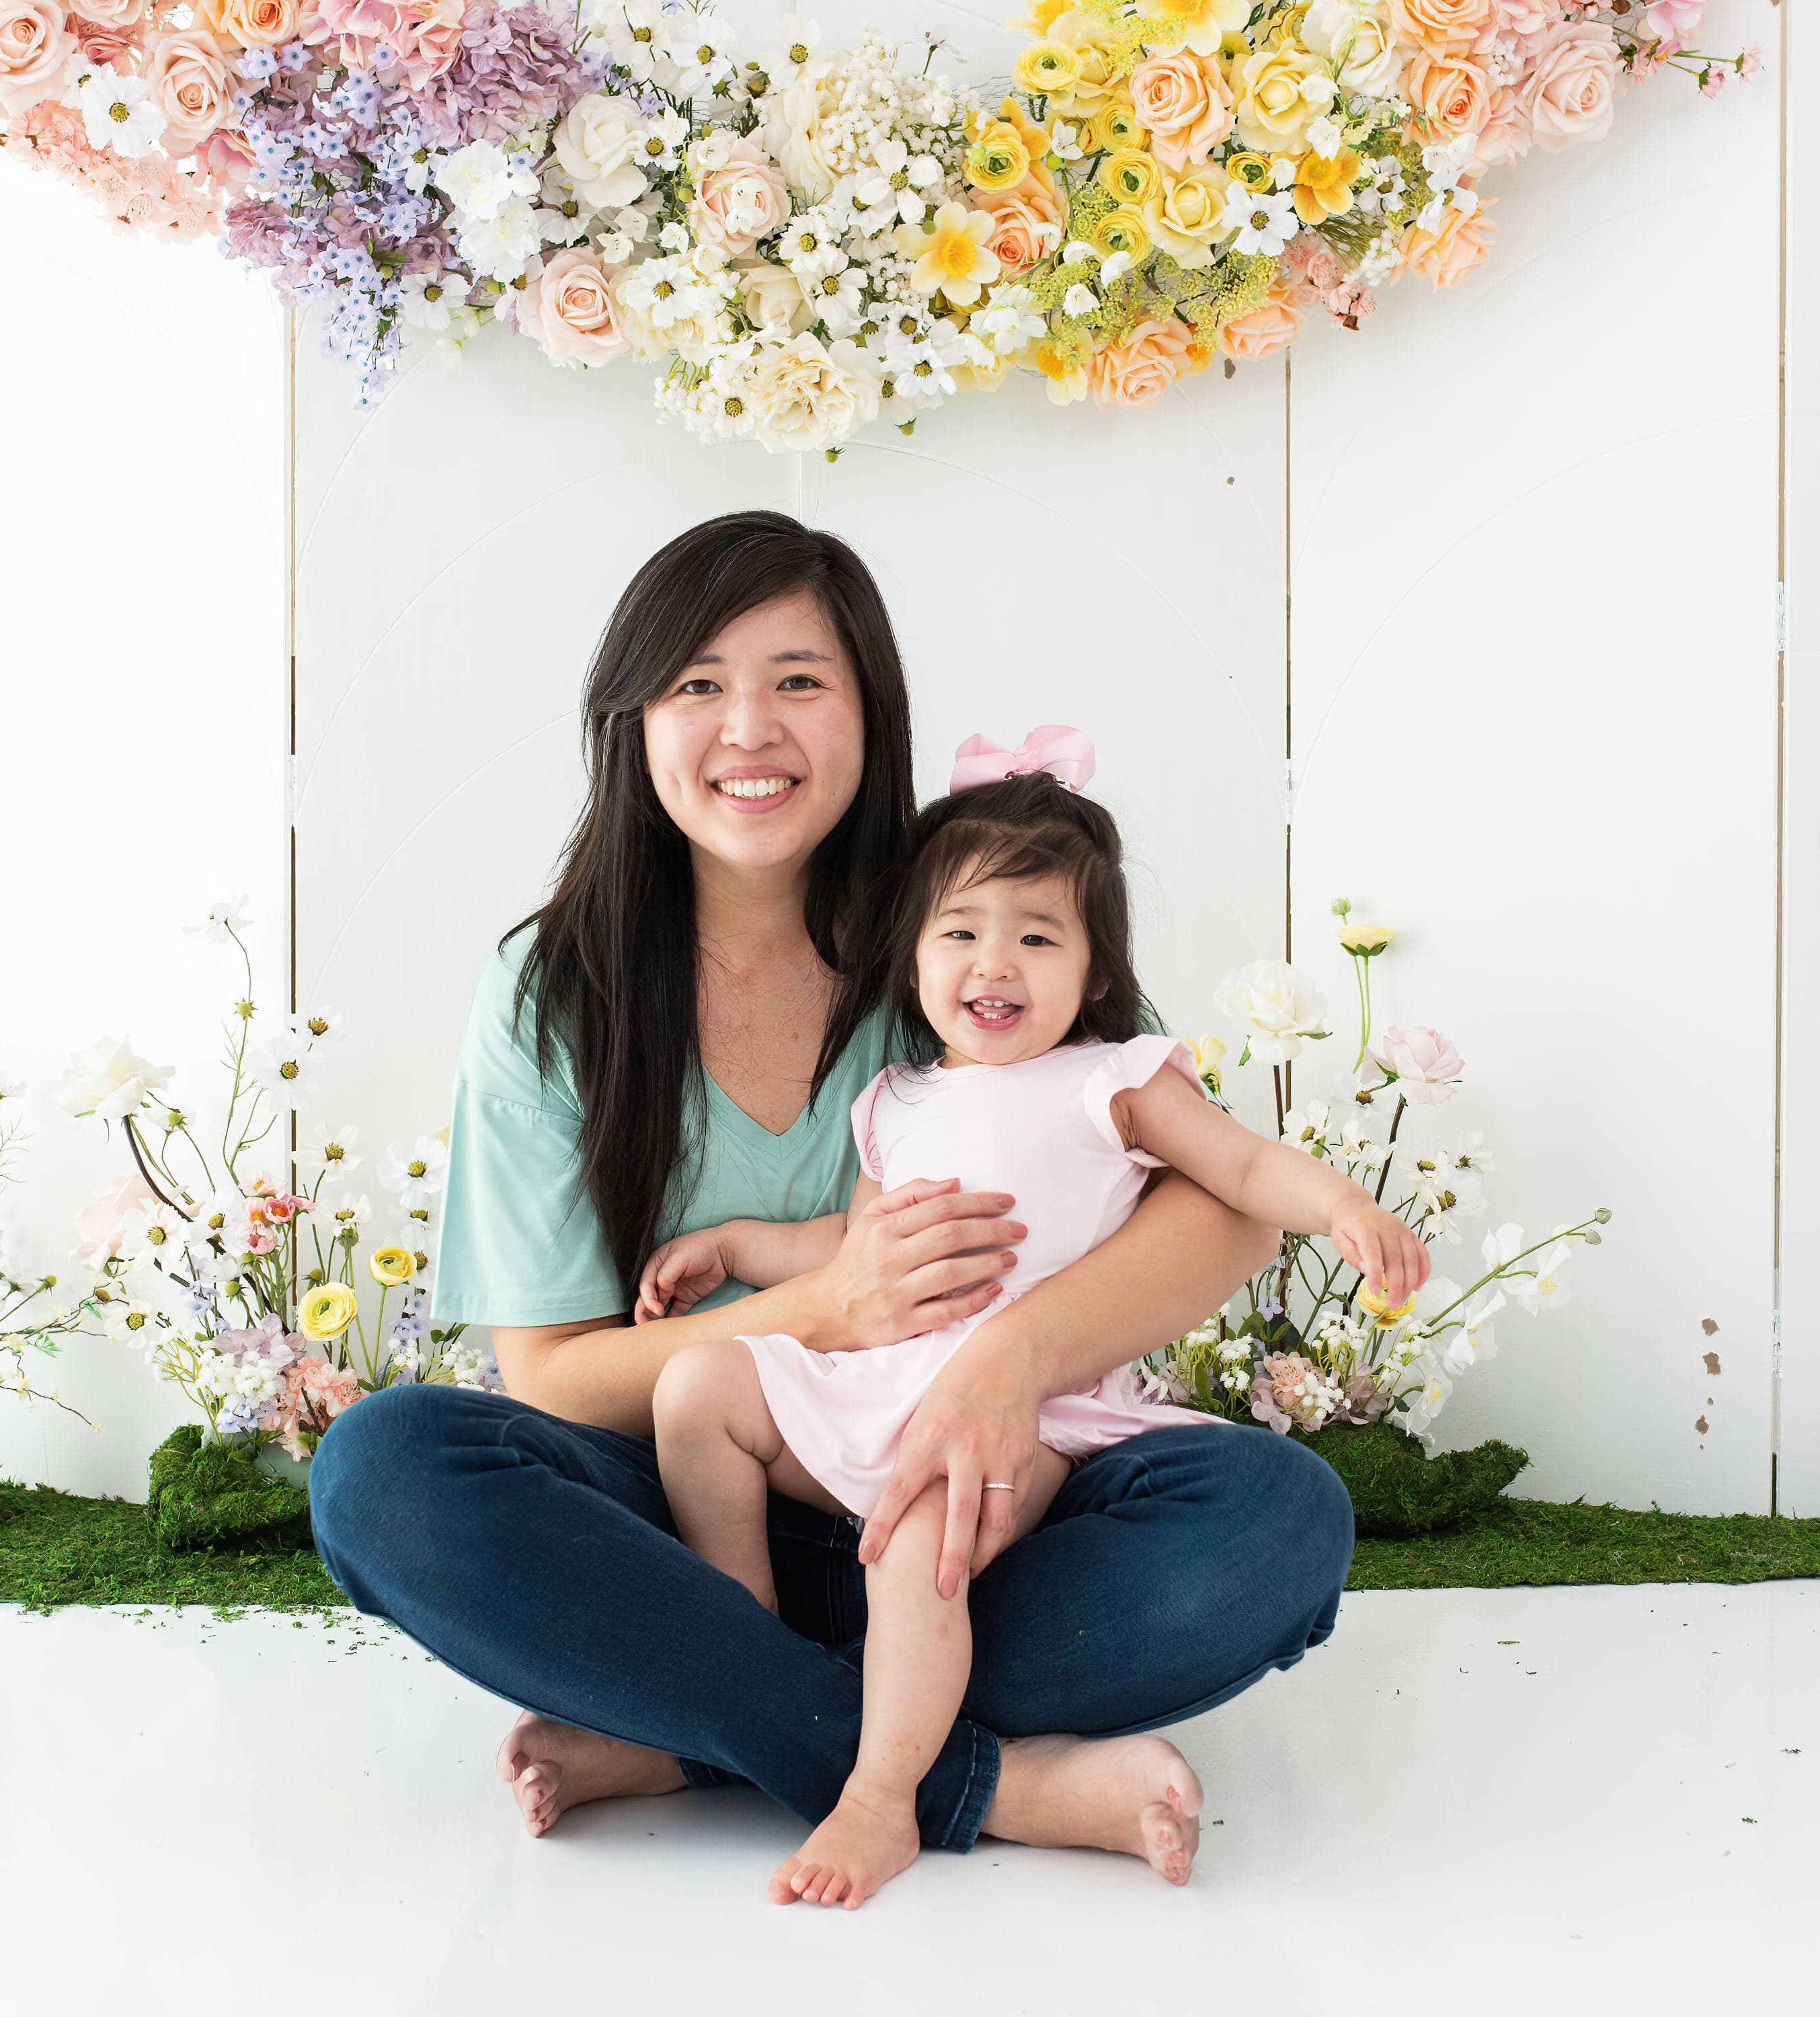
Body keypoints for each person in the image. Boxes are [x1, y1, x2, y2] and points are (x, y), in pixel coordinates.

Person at [307, 510, 1357, 1902]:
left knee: (1277, 1520)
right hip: (689, 1521)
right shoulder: (552, 993)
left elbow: (1225, 1209)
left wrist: (1003, 1366)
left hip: (984, 1511)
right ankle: (970, 1780)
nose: (750, 728)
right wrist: (826, 1304)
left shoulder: (973, 927)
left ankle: (702, 1721)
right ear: (633, 722)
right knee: (385, 1474)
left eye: (799, 680)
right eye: (697, 683)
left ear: (872, 711)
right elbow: (552, 1381)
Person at [639, 756, 1428, 1907]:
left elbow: (1244, 1171)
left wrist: (1346, 1206)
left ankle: (881, 1796)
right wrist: (738, 1246)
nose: (994, 963)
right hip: (885, 1382)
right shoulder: (895, 1101)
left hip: (1030, 1416)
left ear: (1095, 969)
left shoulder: (1115, 1081)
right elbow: (851, 1249)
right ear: (914, 955)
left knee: (927, 1534)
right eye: (961, 932)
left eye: (1038, 938)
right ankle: (750, 1656)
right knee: (694, 1387)